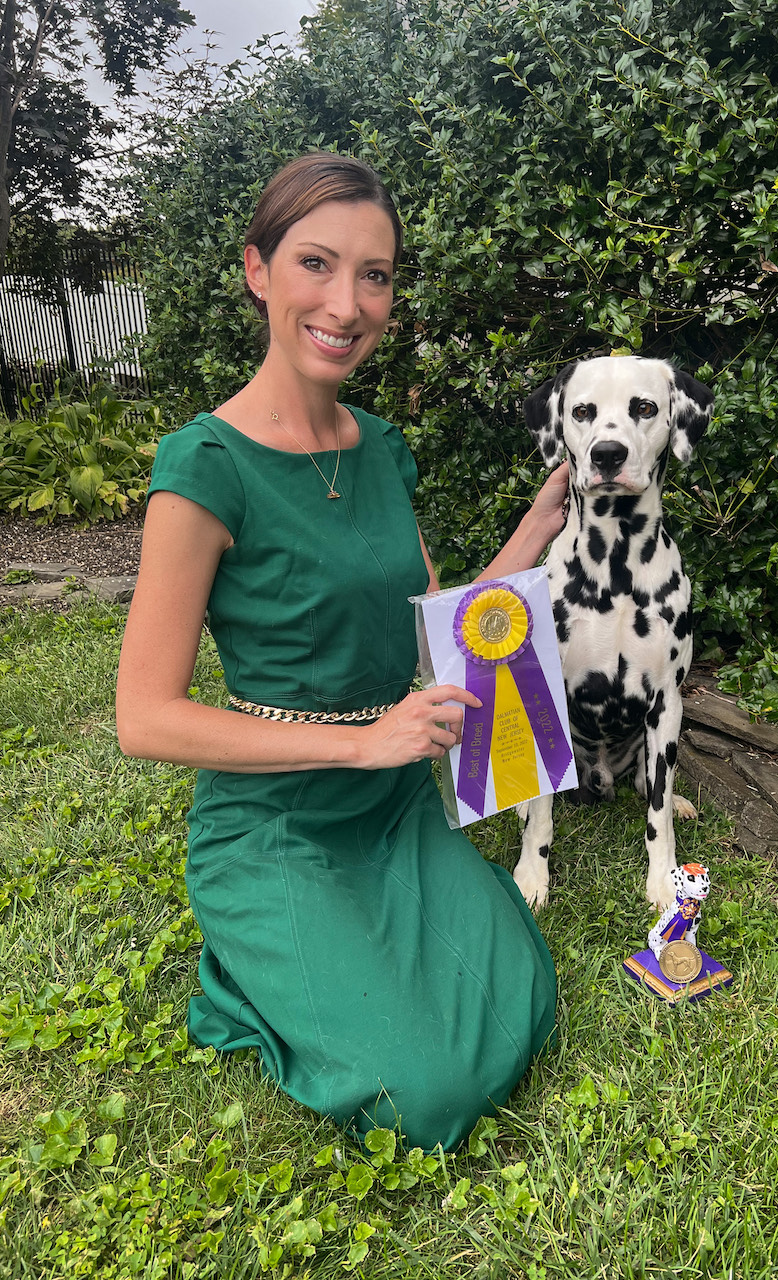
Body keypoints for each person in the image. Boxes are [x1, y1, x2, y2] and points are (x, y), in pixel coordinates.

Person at [116, 152, 569, 1152]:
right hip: (275, 823)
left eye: (375, 275)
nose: (346, 303)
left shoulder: (382, 447)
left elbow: (442, 628)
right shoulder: (205, 466)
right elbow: (144, 718)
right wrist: (362, 742)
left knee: (525, 993)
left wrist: (539, 526)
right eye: (315, 263)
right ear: (257, 269)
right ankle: (247, 969)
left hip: (394, 804)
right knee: (428, 1094)